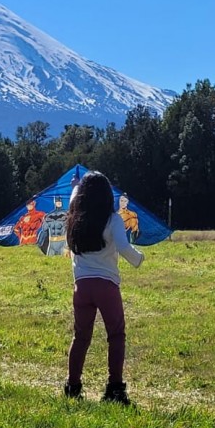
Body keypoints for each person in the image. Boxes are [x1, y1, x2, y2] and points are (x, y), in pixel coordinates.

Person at [63, 171, 144, 404]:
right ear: (107, 195)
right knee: (116, 335)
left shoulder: (74, 219)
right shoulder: (113, 220)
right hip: (106, 286)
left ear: (82, 196)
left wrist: (75, 186)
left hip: (81, 287)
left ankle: (73, 387)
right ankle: (114, 389)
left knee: (81, 337)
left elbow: (73, 200)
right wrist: (139, 259)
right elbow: (123, 246)